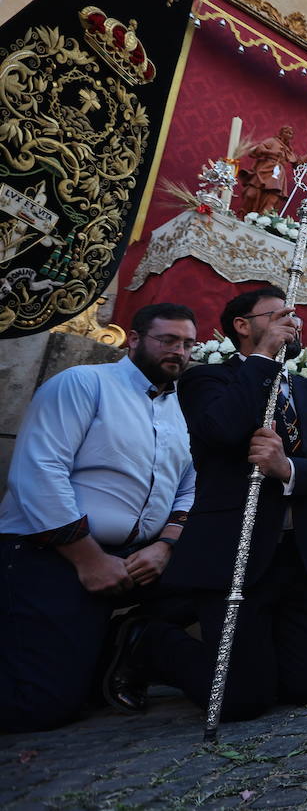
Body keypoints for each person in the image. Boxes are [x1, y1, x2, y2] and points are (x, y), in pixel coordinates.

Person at [108, 286, 307, 721]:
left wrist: (289, 469)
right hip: (236, 552)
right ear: (243, 326)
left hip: (303, 556)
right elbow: (223, 429)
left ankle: (258, 666)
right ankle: (145, 640)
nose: (293, 323)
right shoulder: (206, 379)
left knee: (303, 687)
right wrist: (263, 357)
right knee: (243, 700)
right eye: (278, 314)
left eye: (295, 316)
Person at [0, 303, 198, 731]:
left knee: (212, 576)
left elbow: (189, 486)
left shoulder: (183, 409)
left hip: (135, 558)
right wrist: (88, 560)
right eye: (167, 340)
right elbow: (39, 472)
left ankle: (128, 645)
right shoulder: (83, 383)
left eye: (187, 344)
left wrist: (166, 545)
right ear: (134, 339)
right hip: (52, 554)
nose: (178, 352)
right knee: (41, 707)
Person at [238, 126, 304, 216]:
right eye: (286, 132)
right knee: (251, 194)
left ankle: (261, 221)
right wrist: (272, 153)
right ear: (281, 133)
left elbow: (298, 162)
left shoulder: (288, 150)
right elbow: (259, 148)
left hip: (277, 174)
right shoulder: (273, 141)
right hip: (265, 168)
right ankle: (243, 214)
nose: (288, 134)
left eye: (290, 133)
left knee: (271, 200)